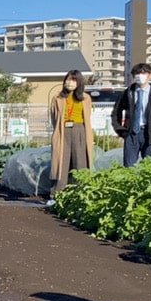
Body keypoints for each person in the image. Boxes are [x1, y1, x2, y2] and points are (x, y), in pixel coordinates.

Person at [46, 69, 94, 205]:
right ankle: (56, 196)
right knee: (61, 163)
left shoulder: (85, 98)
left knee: (81, 163)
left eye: (73, 80)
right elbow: (54, 118)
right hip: (62, 130)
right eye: (68, 79)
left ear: (79, 82)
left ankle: (81, 195)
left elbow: (88, 117)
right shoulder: (57, 98)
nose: (70, 83)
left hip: (80, 130)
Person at [111, 62, 151, 166]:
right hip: (131, 134)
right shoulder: (128, 93)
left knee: (150, 169)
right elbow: (116, 112)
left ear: (150, 75)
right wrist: (120, 129)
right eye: (136, 74)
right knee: (129, 167)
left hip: (150, 135)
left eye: (143, 73)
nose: (140, 76)